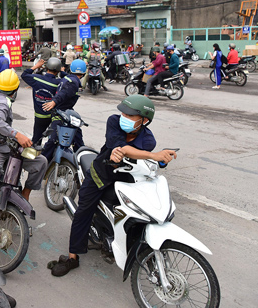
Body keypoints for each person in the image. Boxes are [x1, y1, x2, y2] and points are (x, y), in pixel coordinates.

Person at [49, 95, 177, 277]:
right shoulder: (114, 121)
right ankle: (73, 257)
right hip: (100, 175)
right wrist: (150, 155)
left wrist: (158, 158)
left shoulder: (148, 140)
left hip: (124, 179)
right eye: (123, 112)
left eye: (130, 115)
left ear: (145, 120)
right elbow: (118, 147)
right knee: (84, 211)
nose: (124, 116)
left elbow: (140, 156)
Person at [0, 69, 47, 202]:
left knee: (41, 162)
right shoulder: (3, 104)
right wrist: (17, 135)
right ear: (15, 90)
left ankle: (25, 193)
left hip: (10, 146)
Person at [41, 60, 87, 160]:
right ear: (84, 73)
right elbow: (64, 93)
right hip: (61, 113)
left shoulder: (68, 78)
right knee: (53, 140)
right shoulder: (73, 83)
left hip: (67, 113)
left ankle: (82, 159)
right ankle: (42, 162)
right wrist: (54, 102)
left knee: (77, 135)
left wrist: (62, 71)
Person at [21, 57, 62, 145]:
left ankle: (35, 156)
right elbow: (69, 80)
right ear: (58, 71)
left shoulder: (36, 78)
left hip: (40, 117)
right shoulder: (58, 83)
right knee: (54, 140)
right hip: (53, 116)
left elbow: (24, 75)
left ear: (46, 68)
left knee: (36, 140)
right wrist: (62, 71)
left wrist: (36, 66)